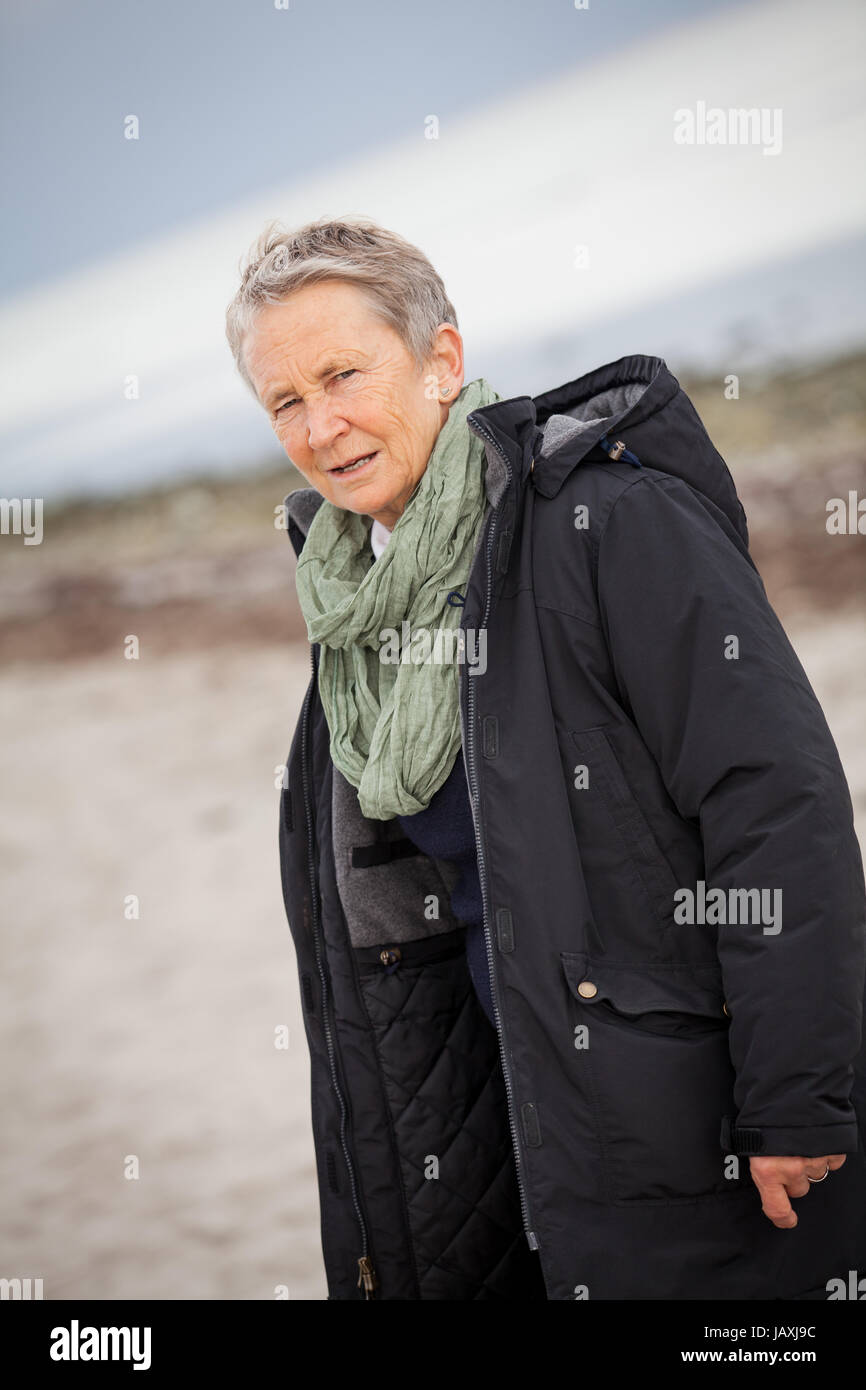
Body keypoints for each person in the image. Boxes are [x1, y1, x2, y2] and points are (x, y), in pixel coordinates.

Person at [225, 216, 866, 1301]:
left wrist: (796, 1097)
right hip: (497, 1126)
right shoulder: (347, 618)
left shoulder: (605, 524)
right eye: (285, 399)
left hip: (686, 1118)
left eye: (343, 373)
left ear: (442, 361)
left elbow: (775, 804)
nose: (321, 424)